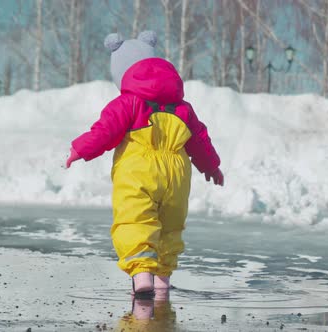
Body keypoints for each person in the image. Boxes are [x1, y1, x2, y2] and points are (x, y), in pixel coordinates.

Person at [66, 30, 223, 295]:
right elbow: (199, 139)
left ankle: (142, 278)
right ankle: (162, 281)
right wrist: (211, 166)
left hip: (138, 172)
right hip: (177, 175)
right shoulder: (182, 107)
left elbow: (104, 131)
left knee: (136, 222)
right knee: (170, 226)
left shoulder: (129, 102)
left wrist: (78, 149)